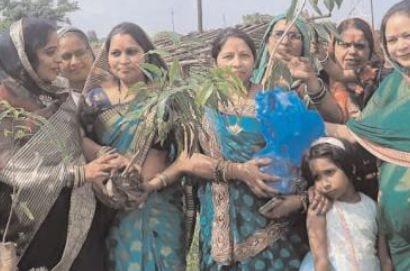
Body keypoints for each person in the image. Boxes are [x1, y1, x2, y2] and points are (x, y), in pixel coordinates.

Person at [188, 27, 316, 270]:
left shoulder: (278, 101)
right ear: (214, 62)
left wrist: (299, 197)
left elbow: (304, 156)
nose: (237, 63)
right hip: (219, 216)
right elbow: (187, 159)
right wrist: (238, 170)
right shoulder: (200, 105)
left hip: (269, 215)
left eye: (244, 56)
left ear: (255, 60)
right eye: (228, 57)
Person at [0, 17, 121, 270]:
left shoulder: (58, 95)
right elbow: (8, 168)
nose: (60, 59)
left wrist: (99, 162)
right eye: (50, 52)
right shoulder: (5, 105)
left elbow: (75, 144)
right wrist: (78, 174)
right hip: (30, 224)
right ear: (23, 56)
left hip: (77, 212)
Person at [82, 22, 192, 271]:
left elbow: (175, 152)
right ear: (106, 57)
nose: (124, 60)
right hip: (111, 203)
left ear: (147, 54)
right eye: (116, 53)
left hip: (158, 202)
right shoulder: (95, 99)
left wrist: (143, 182)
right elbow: (80, 139)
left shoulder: (166, 98)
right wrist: (103, 157)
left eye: (132, 51)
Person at [345, 1, 410, 269]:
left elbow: (361, 132)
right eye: (392, 40)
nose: (400, 46)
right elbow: (365, 132)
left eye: (408, 35)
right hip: (398, 231)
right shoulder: (393, 84)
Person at [298, 137, 391, 271]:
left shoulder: (372, 206)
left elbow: (384, 258)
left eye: (329, 172)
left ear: (351, 168)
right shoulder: (321, 209)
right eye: (317, 177)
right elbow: (321, 261)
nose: (325, 184)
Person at [58, 26, 95, 91]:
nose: (75, 62)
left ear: (91, 53)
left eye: (80, 53)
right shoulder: (52, 99)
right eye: (66, 57)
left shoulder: (116, 90)